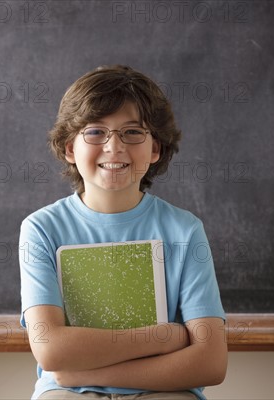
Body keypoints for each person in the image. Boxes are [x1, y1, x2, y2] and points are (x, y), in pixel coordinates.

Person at [19, 65, 227, 400]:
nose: (114, 147)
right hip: (68, 392)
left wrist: (83, 372)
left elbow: (211, 362)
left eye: (132, 132)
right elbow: (51, 350)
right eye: (96, 132)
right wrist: (166, 337)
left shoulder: (184, 230)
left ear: (155, 149)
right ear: (70, 148)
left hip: (163, 391)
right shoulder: (41, 229)